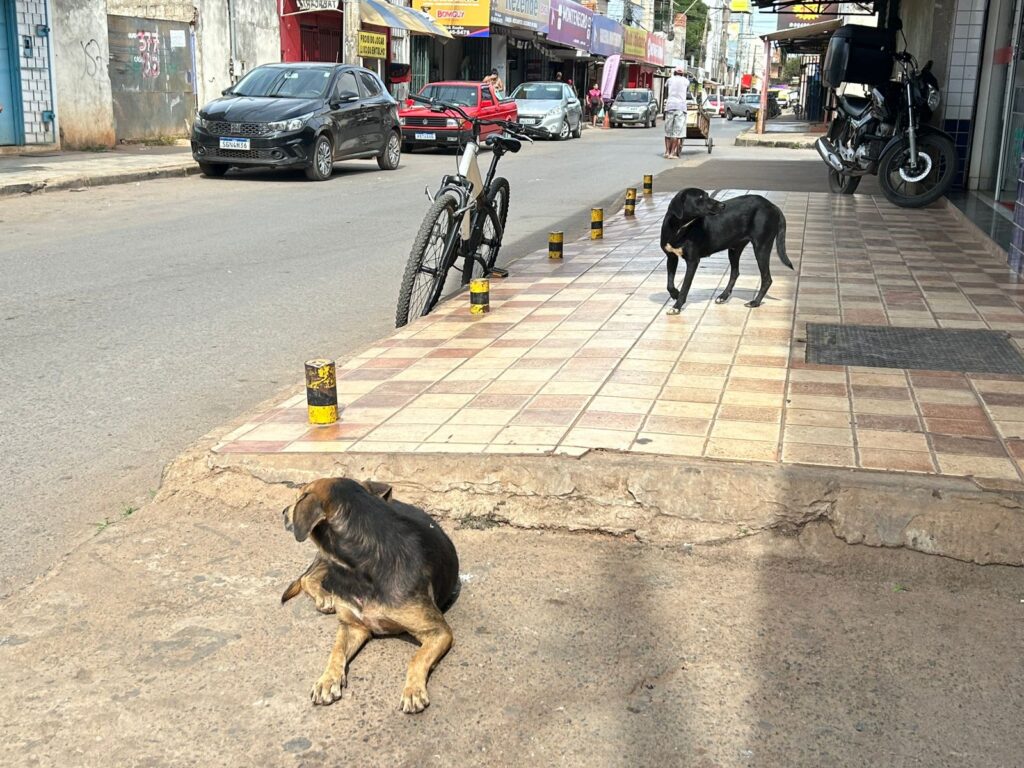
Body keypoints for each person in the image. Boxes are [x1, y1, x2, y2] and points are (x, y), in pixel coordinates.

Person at [663, 67, 690, 159]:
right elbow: (686, 90)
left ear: (674, 72)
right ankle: (672, 153)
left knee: (668, 131)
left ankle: (667, 152)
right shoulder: (686, 81)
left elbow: (666, 90)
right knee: (676, 133)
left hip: (670, 106)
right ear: (682, 73)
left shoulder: (669, 80)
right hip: (680, 108)